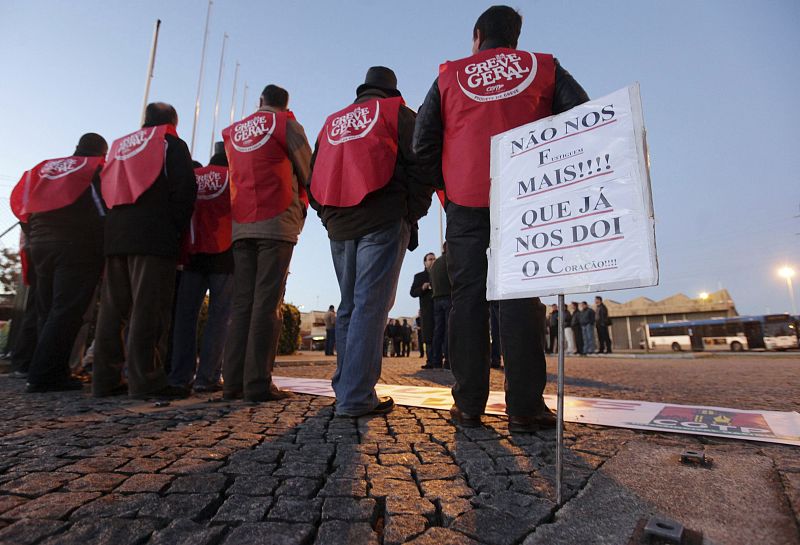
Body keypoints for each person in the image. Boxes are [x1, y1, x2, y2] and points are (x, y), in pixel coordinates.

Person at [413, 5, 589, 432]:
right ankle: (526, 407)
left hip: (465, 198)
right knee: (522, 294)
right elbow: (582, 118)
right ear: (516, 39)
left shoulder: (450, 75)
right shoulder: (543, 67)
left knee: (465, 297)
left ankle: (469, 404)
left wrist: (448, 188)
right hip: (525, 197)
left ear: (477, 35)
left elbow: (422, 143)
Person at [308, 66, 433, 417]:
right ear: (392, 92)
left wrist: (326, 213)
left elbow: (312, 175)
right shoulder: (396, 113)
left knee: (349, 306)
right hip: (383, 217)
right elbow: (422, 162)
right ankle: (356, 396)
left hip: (339, 224)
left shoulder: (332, 122)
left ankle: (346, 388)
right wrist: (411, 212)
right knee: (370, 307)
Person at [93, 103, 197, 399]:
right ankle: (146, 379)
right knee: (148, 309)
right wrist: (175, 228)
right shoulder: (170, 144)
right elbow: (184, 189)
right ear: (172, 123)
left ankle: (104, 379)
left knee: (113, 311)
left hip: (115, 236)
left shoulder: (119, 147)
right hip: (153, 236)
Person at [221, 84, 311, 402]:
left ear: (260, 101)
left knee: (242, 304)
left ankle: (232, 382)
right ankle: (257, 384)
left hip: (242, 223)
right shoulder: (285, 124)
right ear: (286, 105)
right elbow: (308, 169)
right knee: (266, 305)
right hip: (276, 221)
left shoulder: (233, 132)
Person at [10, 133, 108, 392]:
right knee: (66, 310)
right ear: (101, 153)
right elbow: (102, 211)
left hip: (40, 244)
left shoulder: (45, 167)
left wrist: (33, 233)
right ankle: (45, 375)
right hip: (76, 246)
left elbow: (20, 200)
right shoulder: (93, 168)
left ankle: (43, 369)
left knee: (46, 310)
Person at [168, 142, 234, 394]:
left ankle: (179, 376)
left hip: (192, 255)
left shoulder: (194, 176)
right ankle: (207, 377)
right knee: (220, 319)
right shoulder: (233, 177)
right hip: (225, 255)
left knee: (185, 319)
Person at [410, 252, 436, 366]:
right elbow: (413, 292)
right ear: (425, 262)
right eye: (430, 259)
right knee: (429, 336)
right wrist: (422, 287)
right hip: (427, 311)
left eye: (434, 259)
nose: (432, 261)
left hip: (440, 309)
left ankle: (441, 360)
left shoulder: (440, 273)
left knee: (441, 334)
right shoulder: (419, 276)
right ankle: (430, 360)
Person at [428, 245, 451, 369]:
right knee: (449, 330)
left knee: (438, 331)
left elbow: (431, 282)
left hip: (436, 299)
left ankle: (436, 360)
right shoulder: (451, 259)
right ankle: (448, 360)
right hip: (449, 297)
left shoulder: (435, 264)